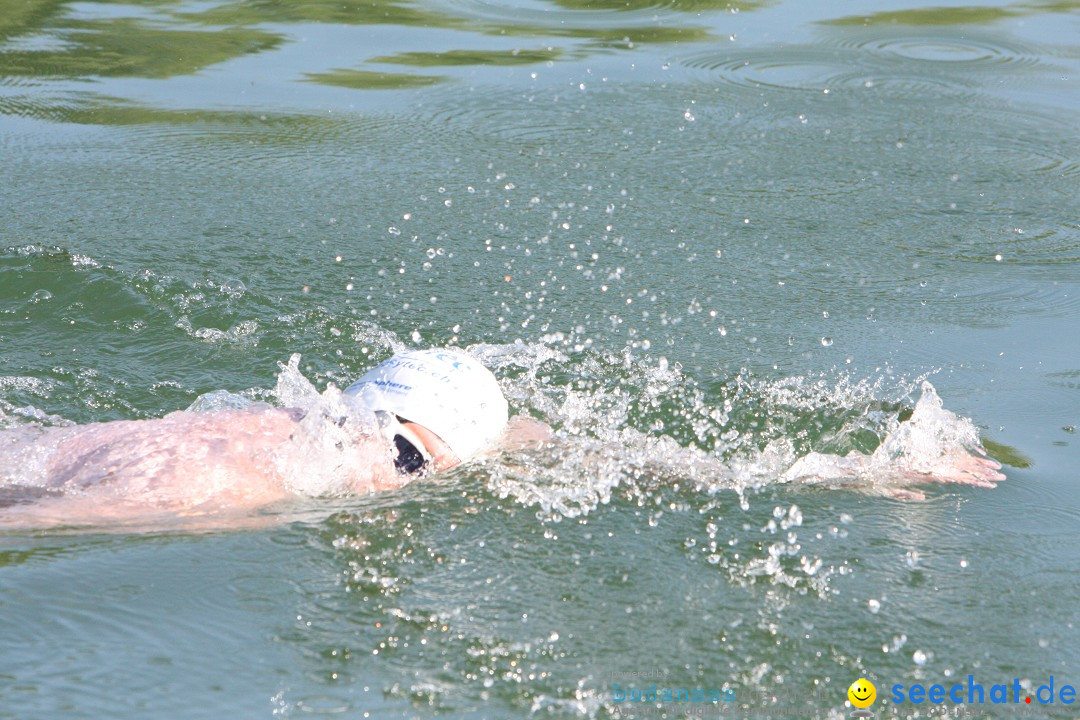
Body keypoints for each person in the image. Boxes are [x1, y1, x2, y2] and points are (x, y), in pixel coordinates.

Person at [0, 348, 1003, 529]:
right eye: (401, 458)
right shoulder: (211, 482)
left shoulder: (293, 424)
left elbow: (634, 461)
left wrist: (854, 474)